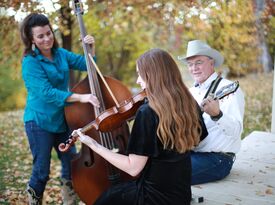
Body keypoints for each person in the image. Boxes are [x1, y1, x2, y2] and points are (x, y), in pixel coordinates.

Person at [72, 48, 208, 205]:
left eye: (140, 74)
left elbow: (133, 168)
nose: (138, 81)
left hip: (153, 198)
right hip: (180, 195)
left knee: (106, 198)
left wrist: (94, 145)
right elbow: (200, 138)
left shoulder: (148, 112)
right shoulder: (188, 102)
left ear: (152, 76)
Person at [20, 13, 100, 205]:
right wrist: (82, 97)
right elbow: (47, 92)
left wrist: (91, 48)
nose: (46, 38)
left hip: (62, 119)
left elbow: (88, 66)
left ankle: (69, 200)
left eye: (49, 33)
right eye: (40, 36)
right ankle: (34, 200)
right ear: (32, 39)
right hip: (39, 121)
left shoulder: (61, 54)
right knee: (42, 170)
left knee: (70, 162)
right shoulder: (30, 63)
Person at [179, 40, 245, 185]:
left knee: (168, 178)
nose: (193, 68)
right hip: (192, 152)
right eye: (190, 64)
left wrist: (217, 115)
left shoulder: (229, 89)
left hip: (217, 159)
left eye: (199, 62)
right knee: (155, 168)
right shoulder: (190, 92)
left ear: (211, 62)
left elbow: (236, 132)